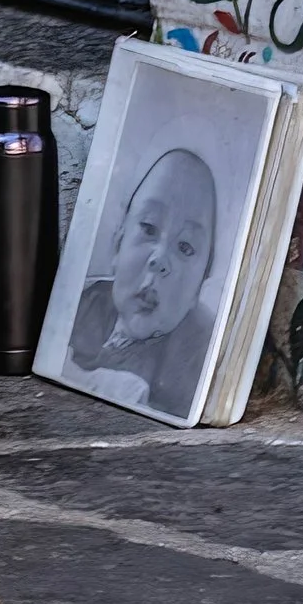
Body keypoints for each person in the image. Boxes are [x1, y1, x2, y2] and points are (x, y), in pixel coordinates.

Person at [66, 146, 221, 418]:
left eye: (185, 247)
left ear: (200, 284)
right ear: (118, 242)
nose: (159, 260)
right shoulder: (80, 303)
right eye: (148, 228)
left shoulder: (195, 358)